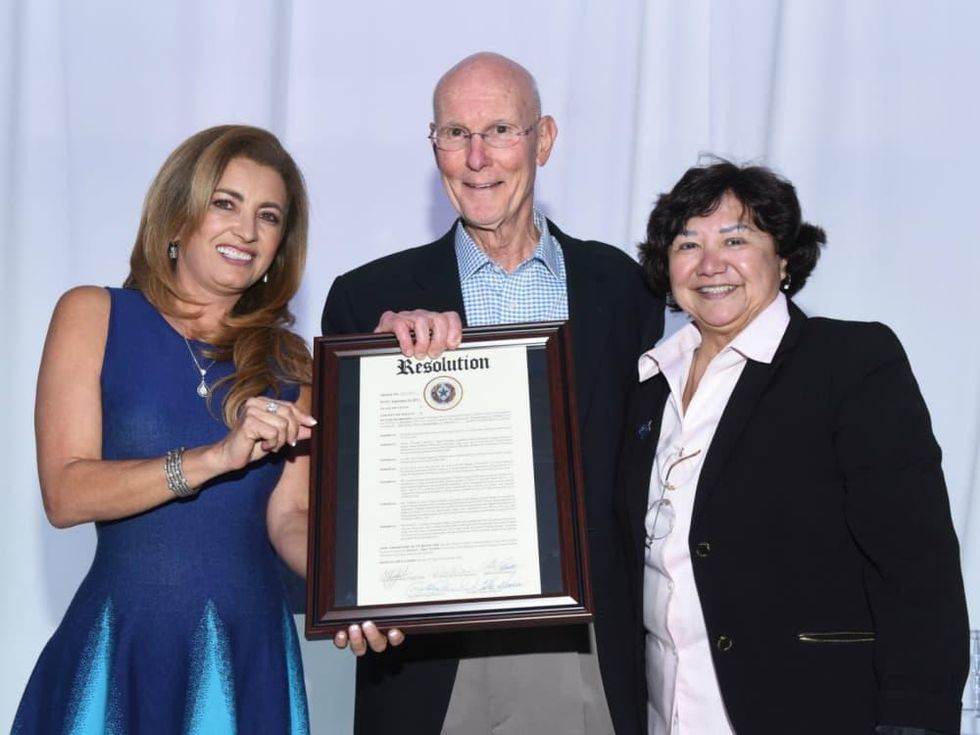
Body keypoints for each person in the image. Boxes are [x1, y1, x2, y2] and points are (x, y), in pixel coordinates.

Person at [13, 124, 398, 735]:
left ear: (281, 245)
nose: (246, 230)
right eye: (226, 203)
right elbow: (65, 493)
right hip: (119, 653)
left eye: (268, 216)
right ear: (177, 214)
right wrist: (216, 457)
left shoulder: (294, 363)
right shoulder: (93, 314)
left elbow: (290, 517)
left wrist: (355, 591)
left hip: (247, 659)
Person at [322, 52, 664, 735]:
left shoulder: (624, 286)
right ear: (433, 146)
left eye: (501, 130)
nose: (477, 157)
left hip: (582, 649)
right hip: (427, 661)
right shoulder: (367, 299)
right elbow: (335, 499)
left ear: (543, 139)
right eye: (456, 133)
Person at [614, 159, 969, 734]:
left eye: (736, 239)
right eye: (688, 244)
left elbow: (917, 566)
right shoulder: (646, 385)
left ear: (782, 258)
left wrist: (916, 720)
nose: (710, 265)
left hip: (812, 710)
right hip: (666, 715)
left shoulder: (850, 364)